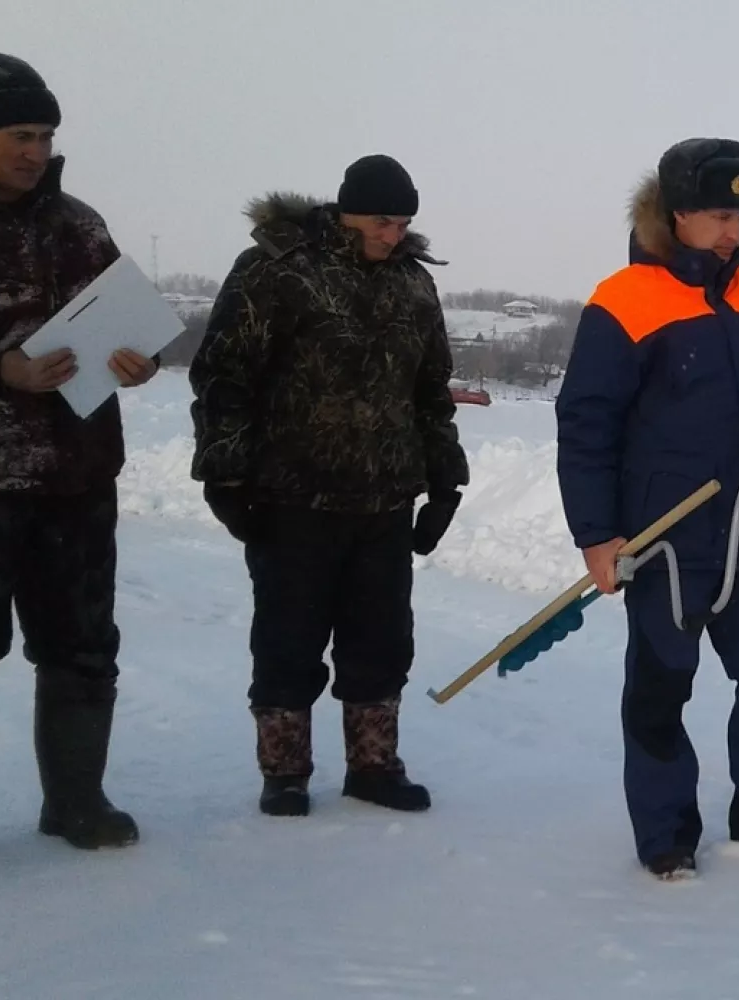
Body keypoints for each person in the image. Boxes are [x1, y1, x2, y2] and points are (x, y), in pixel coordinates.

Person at [555, 137, 739, 880]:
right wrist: (595, 535)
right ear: (675, 212)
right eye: (719, 214)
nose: (732, 231)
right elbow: (587, 425)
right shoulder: (623, 301)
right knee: (660, 692)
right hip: (666, 543)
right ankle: (666, 837)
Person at [188, 155, 469, 818]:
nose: (393, 234)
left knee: (381, 640)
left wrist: (445, 481)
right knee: (288, 638)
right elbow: (224, 376)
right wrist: (225, 473)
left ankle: (374, 766)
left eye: (403, 223)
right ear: (347, 211)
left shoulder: (413, 285)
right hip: (292, 497)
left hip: (385, 499)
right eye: (382, 220)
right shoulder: (277, 269)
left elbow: (431, 395)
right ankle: (284, 771)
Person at [0, 54, 156, 851]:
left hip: (78, 475)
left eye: (45, 134)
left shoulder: (79, 223)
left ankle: (76, 802)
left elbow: (131, 319)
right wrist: (4, 366)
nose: (35, 150)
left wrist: (139, 358)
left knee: (83, 648)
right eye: (19, 132)